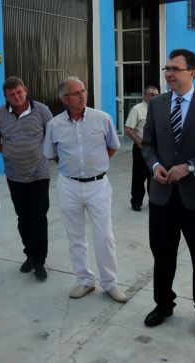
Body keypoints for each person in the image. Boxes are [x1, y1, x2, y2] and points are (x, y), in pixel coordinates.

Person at [141, 49, 195, 338]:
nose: (168, 74)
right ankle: (163, 304)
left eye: (175, 69)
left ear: (192, 72)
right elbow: (147, 144)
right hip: (162, 196)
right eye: (166, 68)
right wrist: (155, 166)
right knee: (162, 255)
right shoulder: (157, 104)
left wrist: (190, 166)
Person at [43, 77, 128, 303]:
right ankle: (85, 280)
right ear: (64, 99)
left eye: (83, 91)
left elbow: (112, 147)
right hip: (69, 185)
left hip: (98, 185)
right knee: (75, 235)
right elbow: (52, 154)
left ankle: (110, 282)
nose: (82, 96)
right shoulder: (54, 125)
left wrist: (95, 166)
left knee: (104, 236)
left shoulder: (102, 118)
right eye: (75, 93)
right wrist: (72, 169)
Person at [0, 77, 53, 280]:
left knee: (39, 218)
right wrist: (11, 154)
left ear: (25, 90)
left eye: (18, 92)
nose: (16, 96)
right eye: (11, 94)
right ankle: (30, 256)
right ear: (5, 96)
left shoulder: (42, 111)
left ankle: (40, 261)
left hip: (39, 174)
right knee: (23, 218)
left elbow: (52, 137)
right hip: (15, 176)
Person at [124, 85, 159, 211]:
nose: (154, 97)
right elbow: (128, 128)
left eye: (156, 95)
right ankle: (136, 202)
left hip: (156, 149)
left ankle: (153, 201)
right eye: (151, 94)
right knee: (139, 176)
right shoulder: (137, 109)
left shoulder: (160, 108)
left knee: (154, 176)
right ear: (145, 95)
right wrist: (139, 142)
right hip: (141, 148)